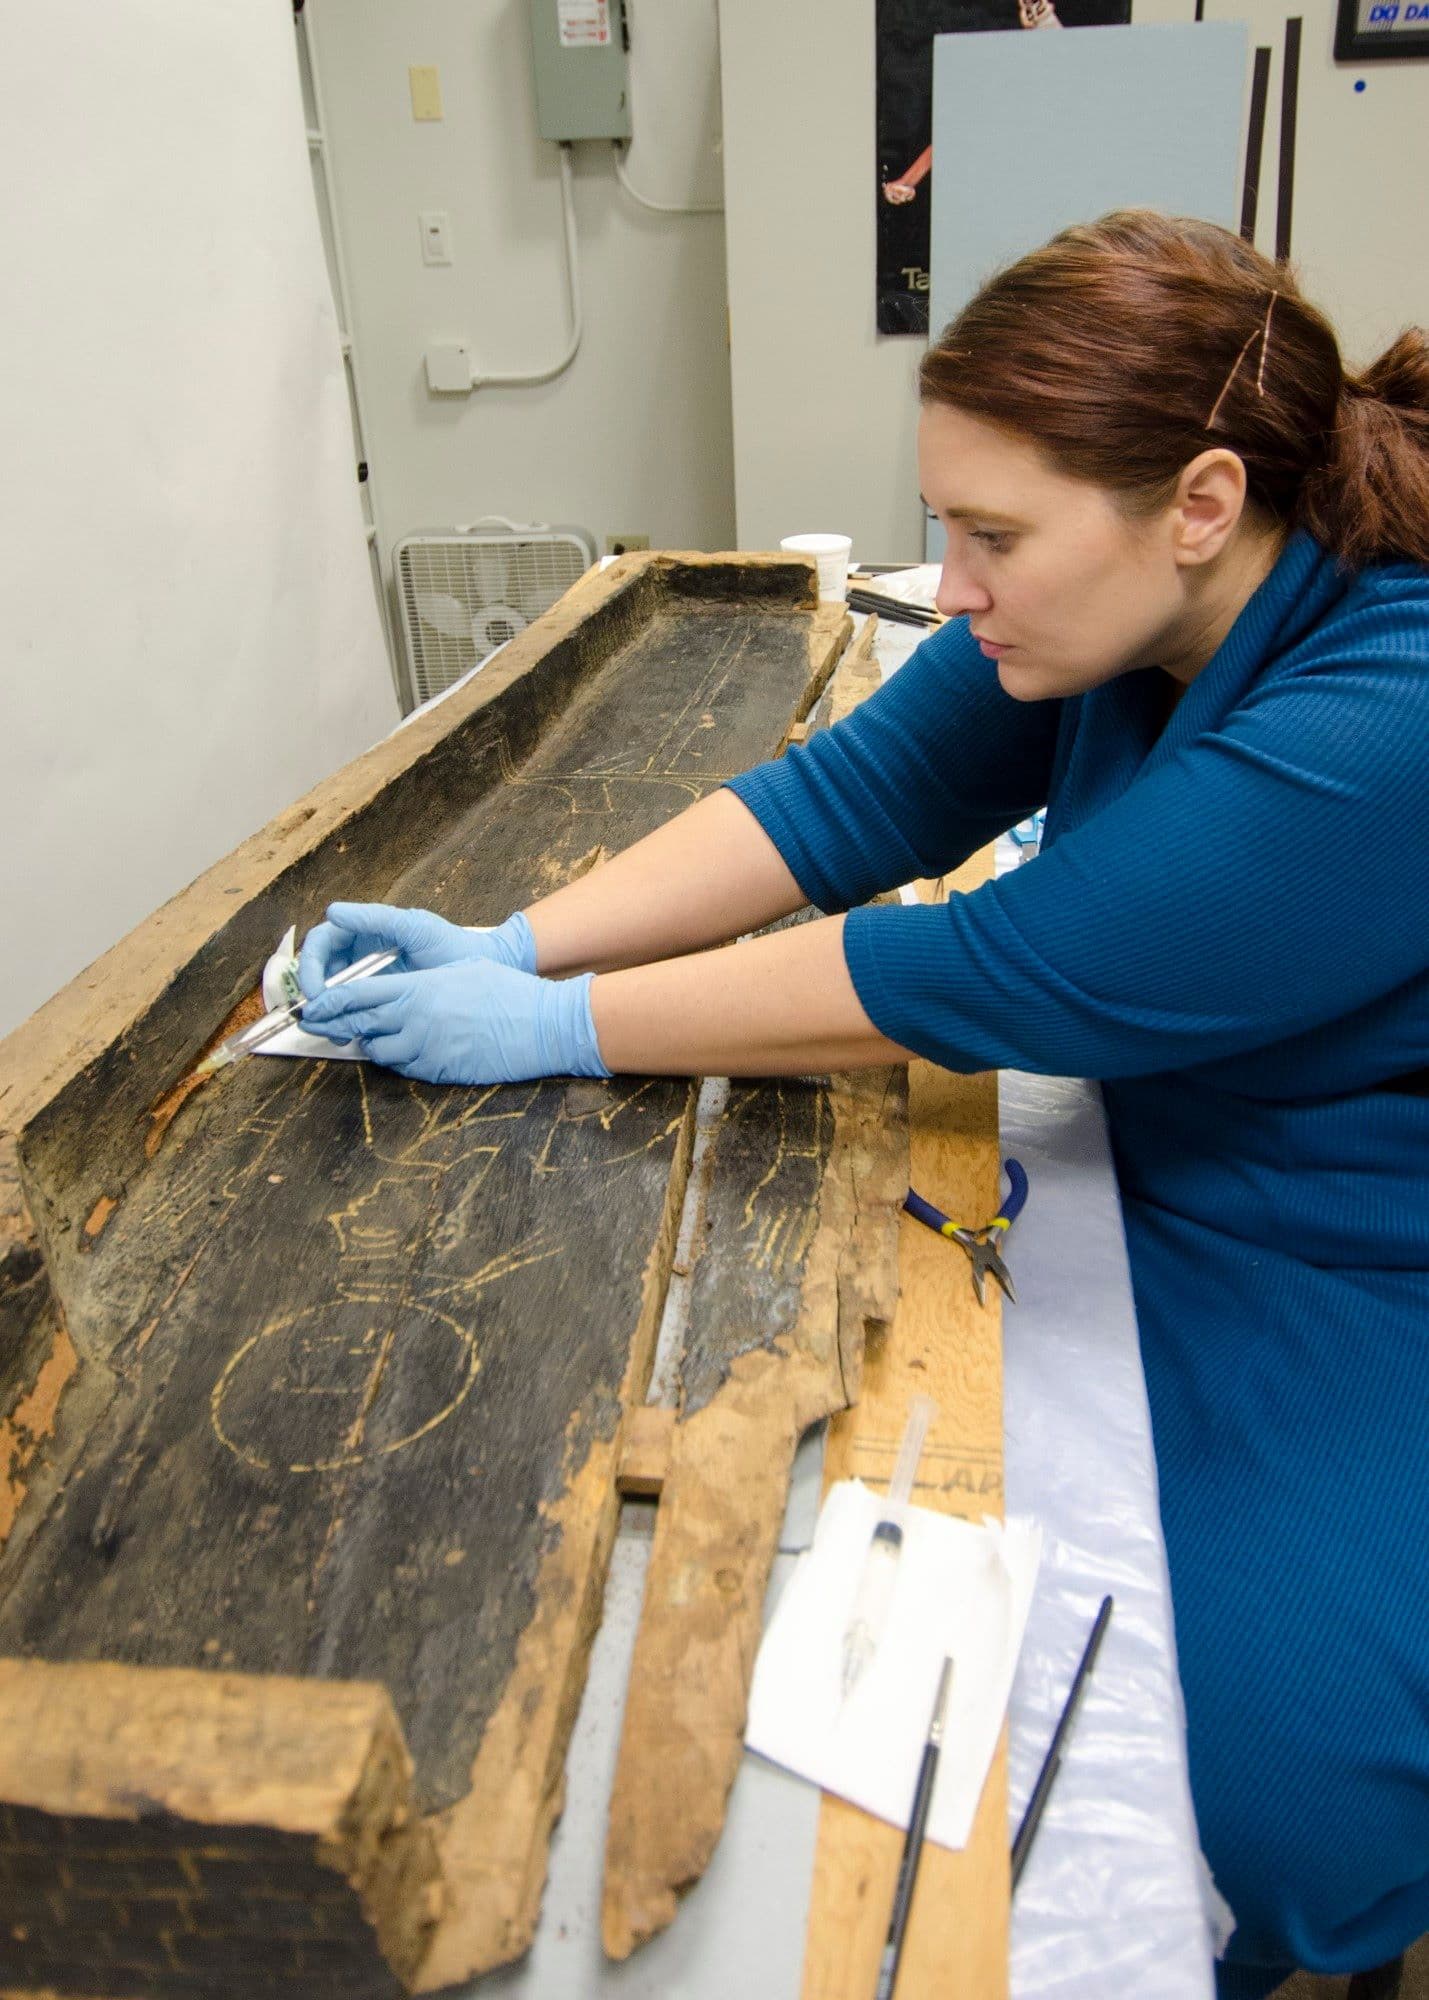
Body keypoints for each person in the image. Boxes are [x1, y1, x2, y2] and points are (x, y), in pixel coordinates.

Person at [300, 210, 1429, 1996]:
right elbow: (838, 804)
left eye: (993, 537)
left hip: (1354, 1239)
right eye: (943, 528)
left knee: (1288, 1796)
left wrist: (564, 1025)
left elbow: (989, 970)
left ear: (1199, 504)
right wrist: (514, 941)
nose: (953, 584)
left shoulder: (1394, 704)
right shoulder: (1122, 620)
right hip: (1160, 1144)